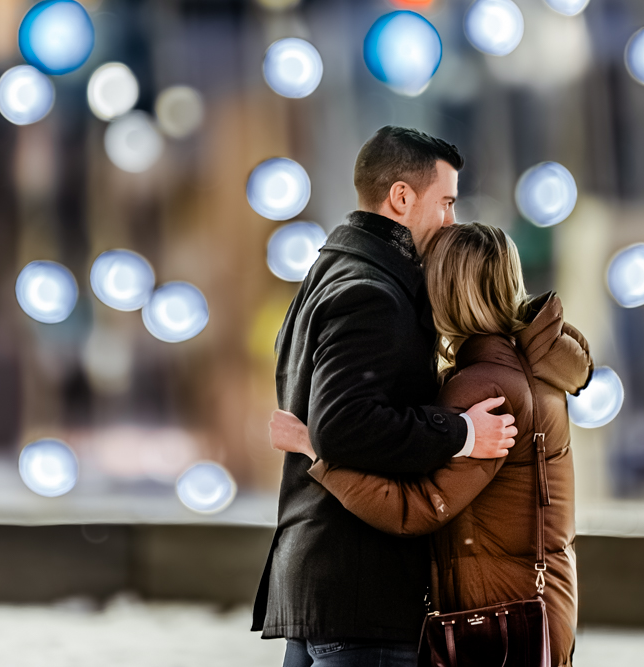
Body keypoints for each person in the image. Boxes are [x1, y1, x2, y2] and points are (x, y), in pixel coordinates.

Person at [251, 126, 520, 667]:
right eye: (445, 202)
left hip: (321, 584)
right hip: (362, 593)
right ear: (401, 197)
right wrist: (465, 433)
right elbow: (344, 425)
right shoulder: (372, 292)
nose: (450, 220)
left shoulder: (326, 274)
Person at [272, 223, 593, 667]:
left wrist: (319, 450)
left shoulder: (485, 387)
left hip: (495, 625)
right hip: (535, 611)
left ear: (446, 291)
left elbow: (417, 509)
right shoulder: (533, 372)